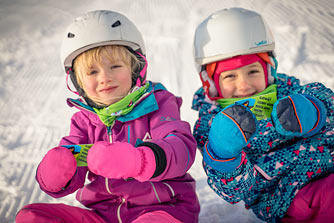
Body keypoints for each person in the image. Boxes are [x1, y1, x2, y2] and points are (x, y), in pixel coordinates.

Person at [16, 10, 200, 223]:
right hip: (103, 216)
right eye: (92, 72)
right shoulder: (83, 121)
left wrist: (138, 161)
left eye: (115, 66)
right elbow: (71, 166)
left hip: (163, 210)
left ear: (135, 68)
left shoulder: (158, 104)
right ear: (78, 83)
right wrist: (55, 174)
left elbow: (181, 148)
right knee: (32, 217)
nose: (105, 77)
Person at [191, 7, 334, 223]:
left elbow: (327, 104)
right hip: (292, 194)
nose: (244, 84)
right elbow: (232, 191)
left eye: (253, 71)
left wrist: (315, 110)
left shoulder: (287, 91)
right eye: (230, 76)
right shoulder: (212, 125)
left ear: (270, 69)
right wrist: (223, 154)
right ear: (211, 83)